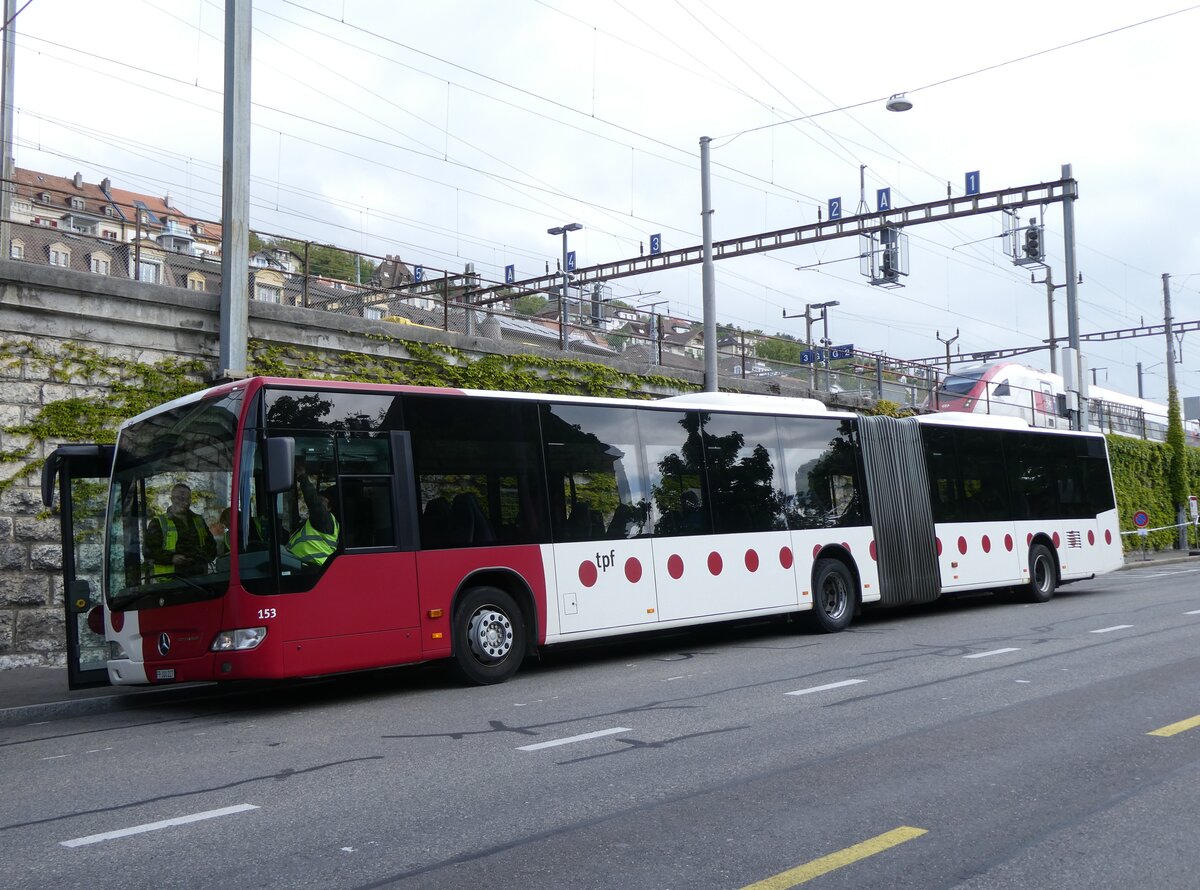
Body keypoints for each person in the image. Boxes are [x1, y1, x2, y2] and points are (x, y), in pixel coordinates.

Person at [145, 482, 217, 581]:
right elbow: (149, 551)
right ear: (171, 499)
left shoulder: (198, 520)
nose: (181, 501)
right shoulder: (158, 522)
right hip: (170, 582)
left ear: (190, 500)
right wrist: (172, 558)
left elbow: (212, 547)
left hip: (199, 579)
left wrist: (199, 557)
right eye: (178, 498)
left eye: (185, 499)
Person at [287, 466, 340, 567]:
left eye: (322, 501)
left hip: (314, 568)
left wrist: (302, 475)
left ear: (330, 507)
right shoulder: (317, 522)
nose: (319, 502)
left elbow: (313, 502)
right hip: (307, 567)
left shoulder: (325, 519)